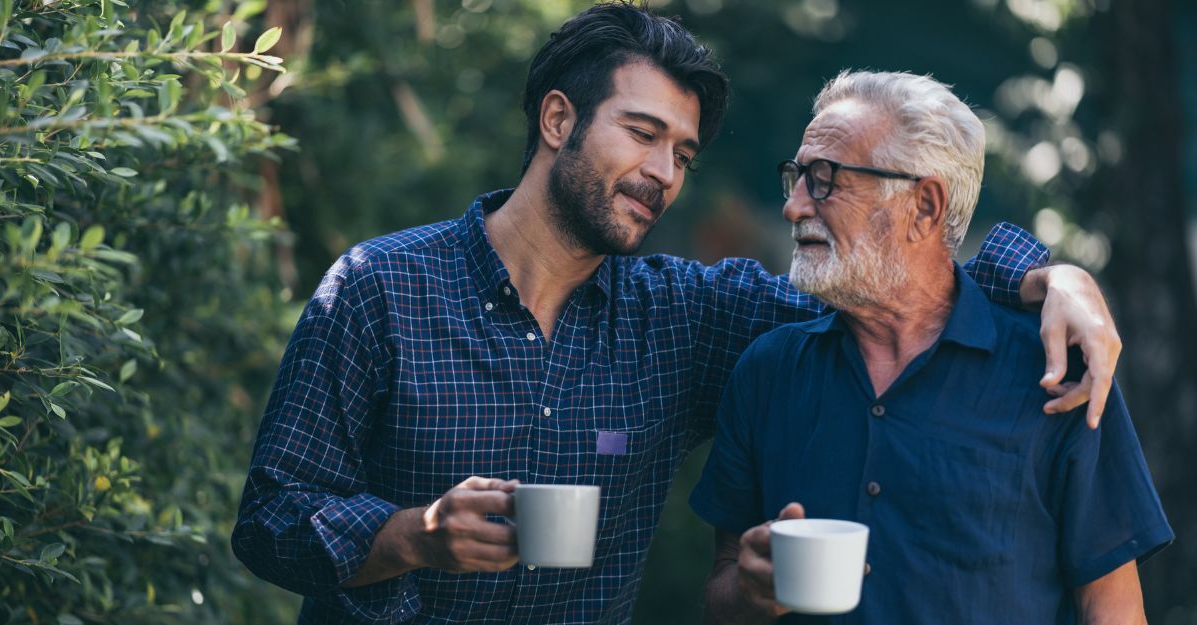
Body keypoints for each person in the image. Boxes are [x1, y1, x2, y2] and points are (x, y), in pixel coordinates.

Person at [232, 4, 1122, 624]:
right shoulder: (384, 288)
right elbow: (270, 519)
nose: (665, 173)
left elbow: (890, 282)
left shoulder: (684, 319)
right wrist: (412, 536)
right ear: (556, 119)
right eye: (643, 133)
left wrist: (1050, 276)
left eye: (685, 152)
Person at [690, 70, 1172, 625]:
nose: (794, 207)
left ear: (923, 207)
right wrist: (750, 593)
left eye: (824, 180)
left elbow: (1111, 610)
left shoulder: (1059, 371)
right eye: (796, 178)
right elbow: (722, 590)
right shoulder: (768, 370)